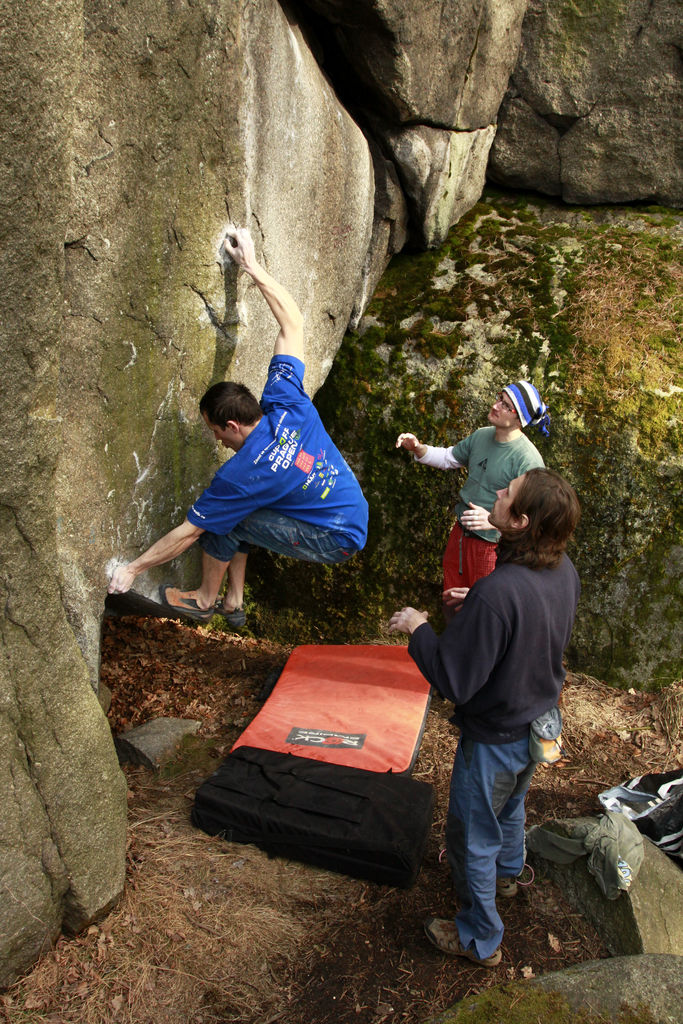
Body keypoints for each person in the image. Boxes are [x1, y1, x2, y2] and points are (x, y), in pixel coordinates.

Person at [108, 226, 368, 625]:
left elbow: (190, 531)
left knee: (228, 519)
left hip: (336, 537)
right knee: (244, 512)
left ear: (232, 425)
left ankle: (204, 600)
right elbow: (293, 324)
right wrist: (251, 265)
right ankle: (234, 602)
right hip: (351, 508)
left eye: (215, 431)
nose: (216, 440)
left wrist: (133, 569)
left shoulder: (240, 476)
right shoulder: (286, 400)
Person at [388, 468, 580, 968]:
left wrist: (419, 628)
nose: (497, 491)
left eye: (508, 494)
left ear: (518, 521)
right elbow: (531, 619)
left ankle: (479, 937)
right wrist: (479, 608)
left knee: (472, 835)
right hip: (539, 722)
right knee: (511, 806)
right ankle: (508, 875)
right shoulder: (563, 571)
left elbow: (454, 681)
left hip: (495, 738)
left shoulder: (499, 594)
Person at [396, 382, 550, 618]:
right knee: (452, 599)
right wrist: (418, 448)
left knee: (484, 609)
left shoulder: (528, 460)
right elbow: (450, 457)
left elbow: (533, 519)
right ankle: (451, 649)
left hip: (493, 548)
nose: (495, 405)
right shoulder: (482, 436)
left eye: (505, 405)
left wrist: (493, 522)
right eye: (499, 397)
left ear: (519, 420)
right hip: (460, 536)